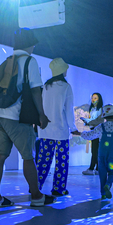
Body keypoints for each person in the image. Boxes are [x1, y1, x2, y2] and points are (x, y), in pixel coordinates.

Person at [0, 28, 54, 208]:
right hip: (17, 117)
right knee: (28, 157)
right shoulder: (29, 61)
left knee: (0, 156)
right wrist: (41, 114)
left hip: (0, 115)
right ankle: (37, 196)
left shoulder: (8, 60)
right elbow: (35, 90)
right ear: (30, 44)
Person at [35, 58, 80, 196]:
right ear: (62, 71)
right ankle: (58, 189)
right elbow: (68, 110)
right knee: (61, 161)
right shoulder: (66, 87)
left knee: (43, 161)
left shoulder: (46, 86)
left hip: (45, 130)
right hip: (61, 131)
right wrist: (73, 128)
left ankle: (36, 187)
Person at [79, 104, 113, 200]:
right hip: (112, 156)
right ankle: (108, 185)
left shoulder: (101, 127)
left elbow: (91, 135)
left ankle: (103, 194)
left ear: (104, 117)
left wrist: (81, 134)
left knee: (102, 174)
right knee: (112, 172)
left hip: (101, 155)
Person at [82, 93, 104, 175]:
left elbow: (99, 121)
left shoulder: (100, 109)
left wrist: (88, 122)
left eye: (95, 98)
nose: (93, 100)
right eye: (92, 98)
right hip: (93, 130)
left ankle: (92, 169)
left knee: (95, 151)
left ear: (99, 99)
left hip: (97, 131)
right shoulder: (92, 109)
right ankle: (97, 169)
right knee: (95, 150)